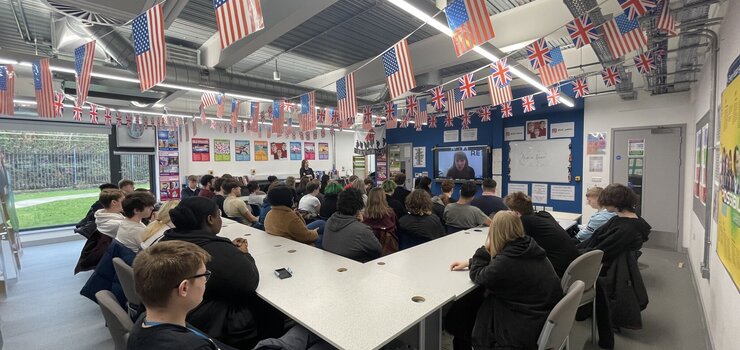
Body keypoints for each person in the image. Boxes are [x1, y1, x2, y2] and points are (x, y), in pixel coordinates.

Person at [161, 197, 285, 349]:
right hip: (215, 327)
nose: (220, 219)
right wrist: (244, 254)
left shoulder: (168, 241)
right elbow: (250, 281)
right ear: (210, 219)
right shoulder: (212, 251)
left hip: (181, 319)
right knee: (272, 309)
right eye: (219, 215)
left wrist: (230, 252)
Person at [449, 211, 562, 350]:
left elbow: (479, 276)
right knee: (469, 305)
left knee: (463, 311)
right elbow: (497, 264)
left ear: (495, 232)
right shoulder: (528, 246)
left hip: (520, 328)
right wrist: (469, 262)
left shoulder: (506, 261)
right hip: (539, 314)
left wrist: (485, 249)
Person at [578, 184, 651, 349]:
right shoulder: (627, 219)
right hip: (610, 266)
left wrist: (573, 251)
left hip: (605, 269)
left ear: (616, 202)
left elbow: (600, 250)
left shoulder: (625, 227)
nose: (604, 205)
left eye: (607, 202)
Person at [127, 240, 237, 350]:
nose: (205, 280)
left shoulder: (143, 320)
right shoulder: (194, 347)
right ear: (184, 288)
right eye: (204, 275)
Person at [504, 192, 579, 277]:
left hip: (557, 272)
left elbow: (511, 244)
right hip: (572, 266)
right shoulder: (545, 215)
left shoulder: (525, 221)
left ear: (516, 213)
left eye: (508, 211)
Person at [323, 188, 383, 263]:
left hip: (333, 265)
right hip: (357, 268)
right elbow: (379, 250)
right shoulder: (362, 231)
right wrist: (361, 224)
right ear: (358, 208)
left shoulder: (329, 221)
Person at [74, 189, 126, 274]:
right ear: (114, 202)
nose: (126, 203)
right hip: (112, 259)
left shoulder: (101, 215)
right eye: (123, 200)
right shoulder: (116, 224)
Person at [362, 188, 398, 254]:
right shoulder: (390, 213)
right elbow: (395, 228)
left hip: (369, 248)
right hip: (387, 247)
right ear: (383, 198)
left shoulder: (364, 215)